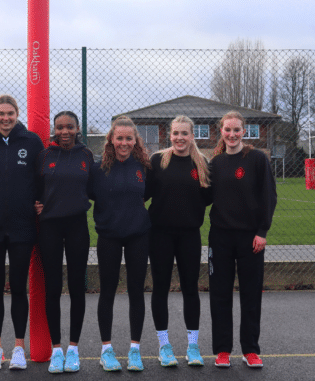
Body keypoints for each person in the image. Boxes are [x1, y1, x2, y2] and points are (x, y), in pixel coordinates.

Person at [0, 94, 44, 371]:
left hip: (22, 226)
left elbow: (42, 177)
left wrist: (38, 201)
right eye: (1, 113)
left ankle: (18, 347)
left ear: (17, 114)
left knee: (18, 288)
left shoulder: (31, 141)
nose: (6, 118)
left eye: (10, 113)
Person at [208, 111, 277, 369]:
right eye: (228, 129)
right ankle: (223, 349)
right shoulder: (215, 163)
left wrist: (262, 231)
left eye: (237, 129)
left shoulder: (257, 159)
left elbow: (269, 196)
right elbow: (203, 196)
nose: (232, 134)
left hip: (251, 238)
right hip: (221, 237)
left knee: (250, 294)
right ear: (221, 131)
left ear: (243, 131)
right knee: (220, 294)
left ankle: (251, 350)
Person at [145, 115, 210, 368]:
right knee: (160, 288)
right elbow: (143, 193)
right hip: (159, 235)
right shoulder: (157, 161)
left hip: (189, 236)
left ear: (192, 136)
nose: (180, 138)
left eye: (185, 133)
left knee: (190, 289)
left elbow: (209, 197)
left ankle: (193, 346)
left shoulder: (202, 163)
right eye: (175, 133)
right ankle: (165, 346)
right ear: (169, 135)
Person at [89, 115, 152, 372]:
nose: (124, 143)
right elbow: (87, 194)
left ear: (135, 140)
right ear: (111, 140)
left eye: (129, 138)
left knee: (136, 292)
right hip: (109, 237)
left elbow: (147, 195)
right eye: (119, 138)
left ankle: (134, 350)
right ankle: (107, 350)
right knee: (108, 291)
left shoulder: (144, 166)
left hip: (138, 236)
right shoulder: (98, 168)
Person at [34, 111, 93, 373]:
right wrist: (34, 204)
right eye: (59, 127)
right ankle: (56, 349)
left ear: (78, 128)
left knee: (77, 287)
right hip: (49, 227)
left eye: (69, 127)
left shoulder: (87, 155)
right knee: (53, 288)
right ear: (53, 130)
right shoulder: (45, 155)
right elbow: (33, 189)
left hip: (77, 226)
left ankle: (73, 348)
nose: (64, 131)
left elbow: (94, 188)